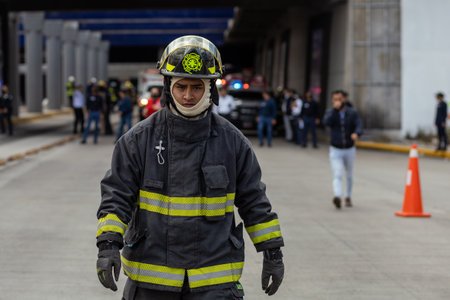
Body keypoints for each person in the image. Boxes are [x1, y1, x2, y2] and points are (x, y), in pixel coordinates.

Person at [95, 35, 284, 300]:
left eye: (197, 87)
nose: (187, 95)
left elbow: (253, 200)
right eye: (180, 85)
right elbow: (116, 198)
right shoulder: (138, 140)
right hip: (152, 280)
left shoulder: (233, 142)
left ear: (211, 87)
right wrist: (107, 246)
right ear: (167, 85)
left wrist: (272, 251)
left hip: (213, 280)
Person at [323, 90, 363, 209]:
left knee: (349, 174)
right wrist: (335, 110)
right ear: (332, 100)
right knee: (338, 174)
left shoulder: (352, 112)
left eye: (340, 99)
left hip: (349, 149)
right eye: (335, 99)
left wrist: (357, 133)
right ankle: (338, 196)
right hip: (336, 149)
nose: (338, 101)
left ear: (344, 99)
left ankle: (348, 196)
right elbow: (326, 122)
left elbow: (359, 124)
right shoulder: (330, 112)